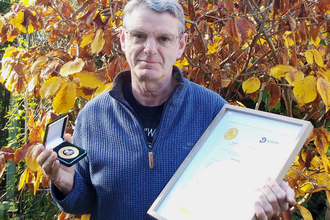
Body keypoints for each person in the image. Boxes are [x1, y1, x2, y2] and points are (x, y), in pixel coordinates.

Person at [34, 0, 296, 219]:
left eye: (163, 39)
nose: (150, 49)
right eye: (139, 36)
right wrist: (66, 184)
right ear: (124, 40)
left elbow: (235, 192)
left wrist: (265, 196)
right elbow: (86, 204)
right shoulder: (93, 116)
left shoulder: (215, 111)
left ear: (180, 45)